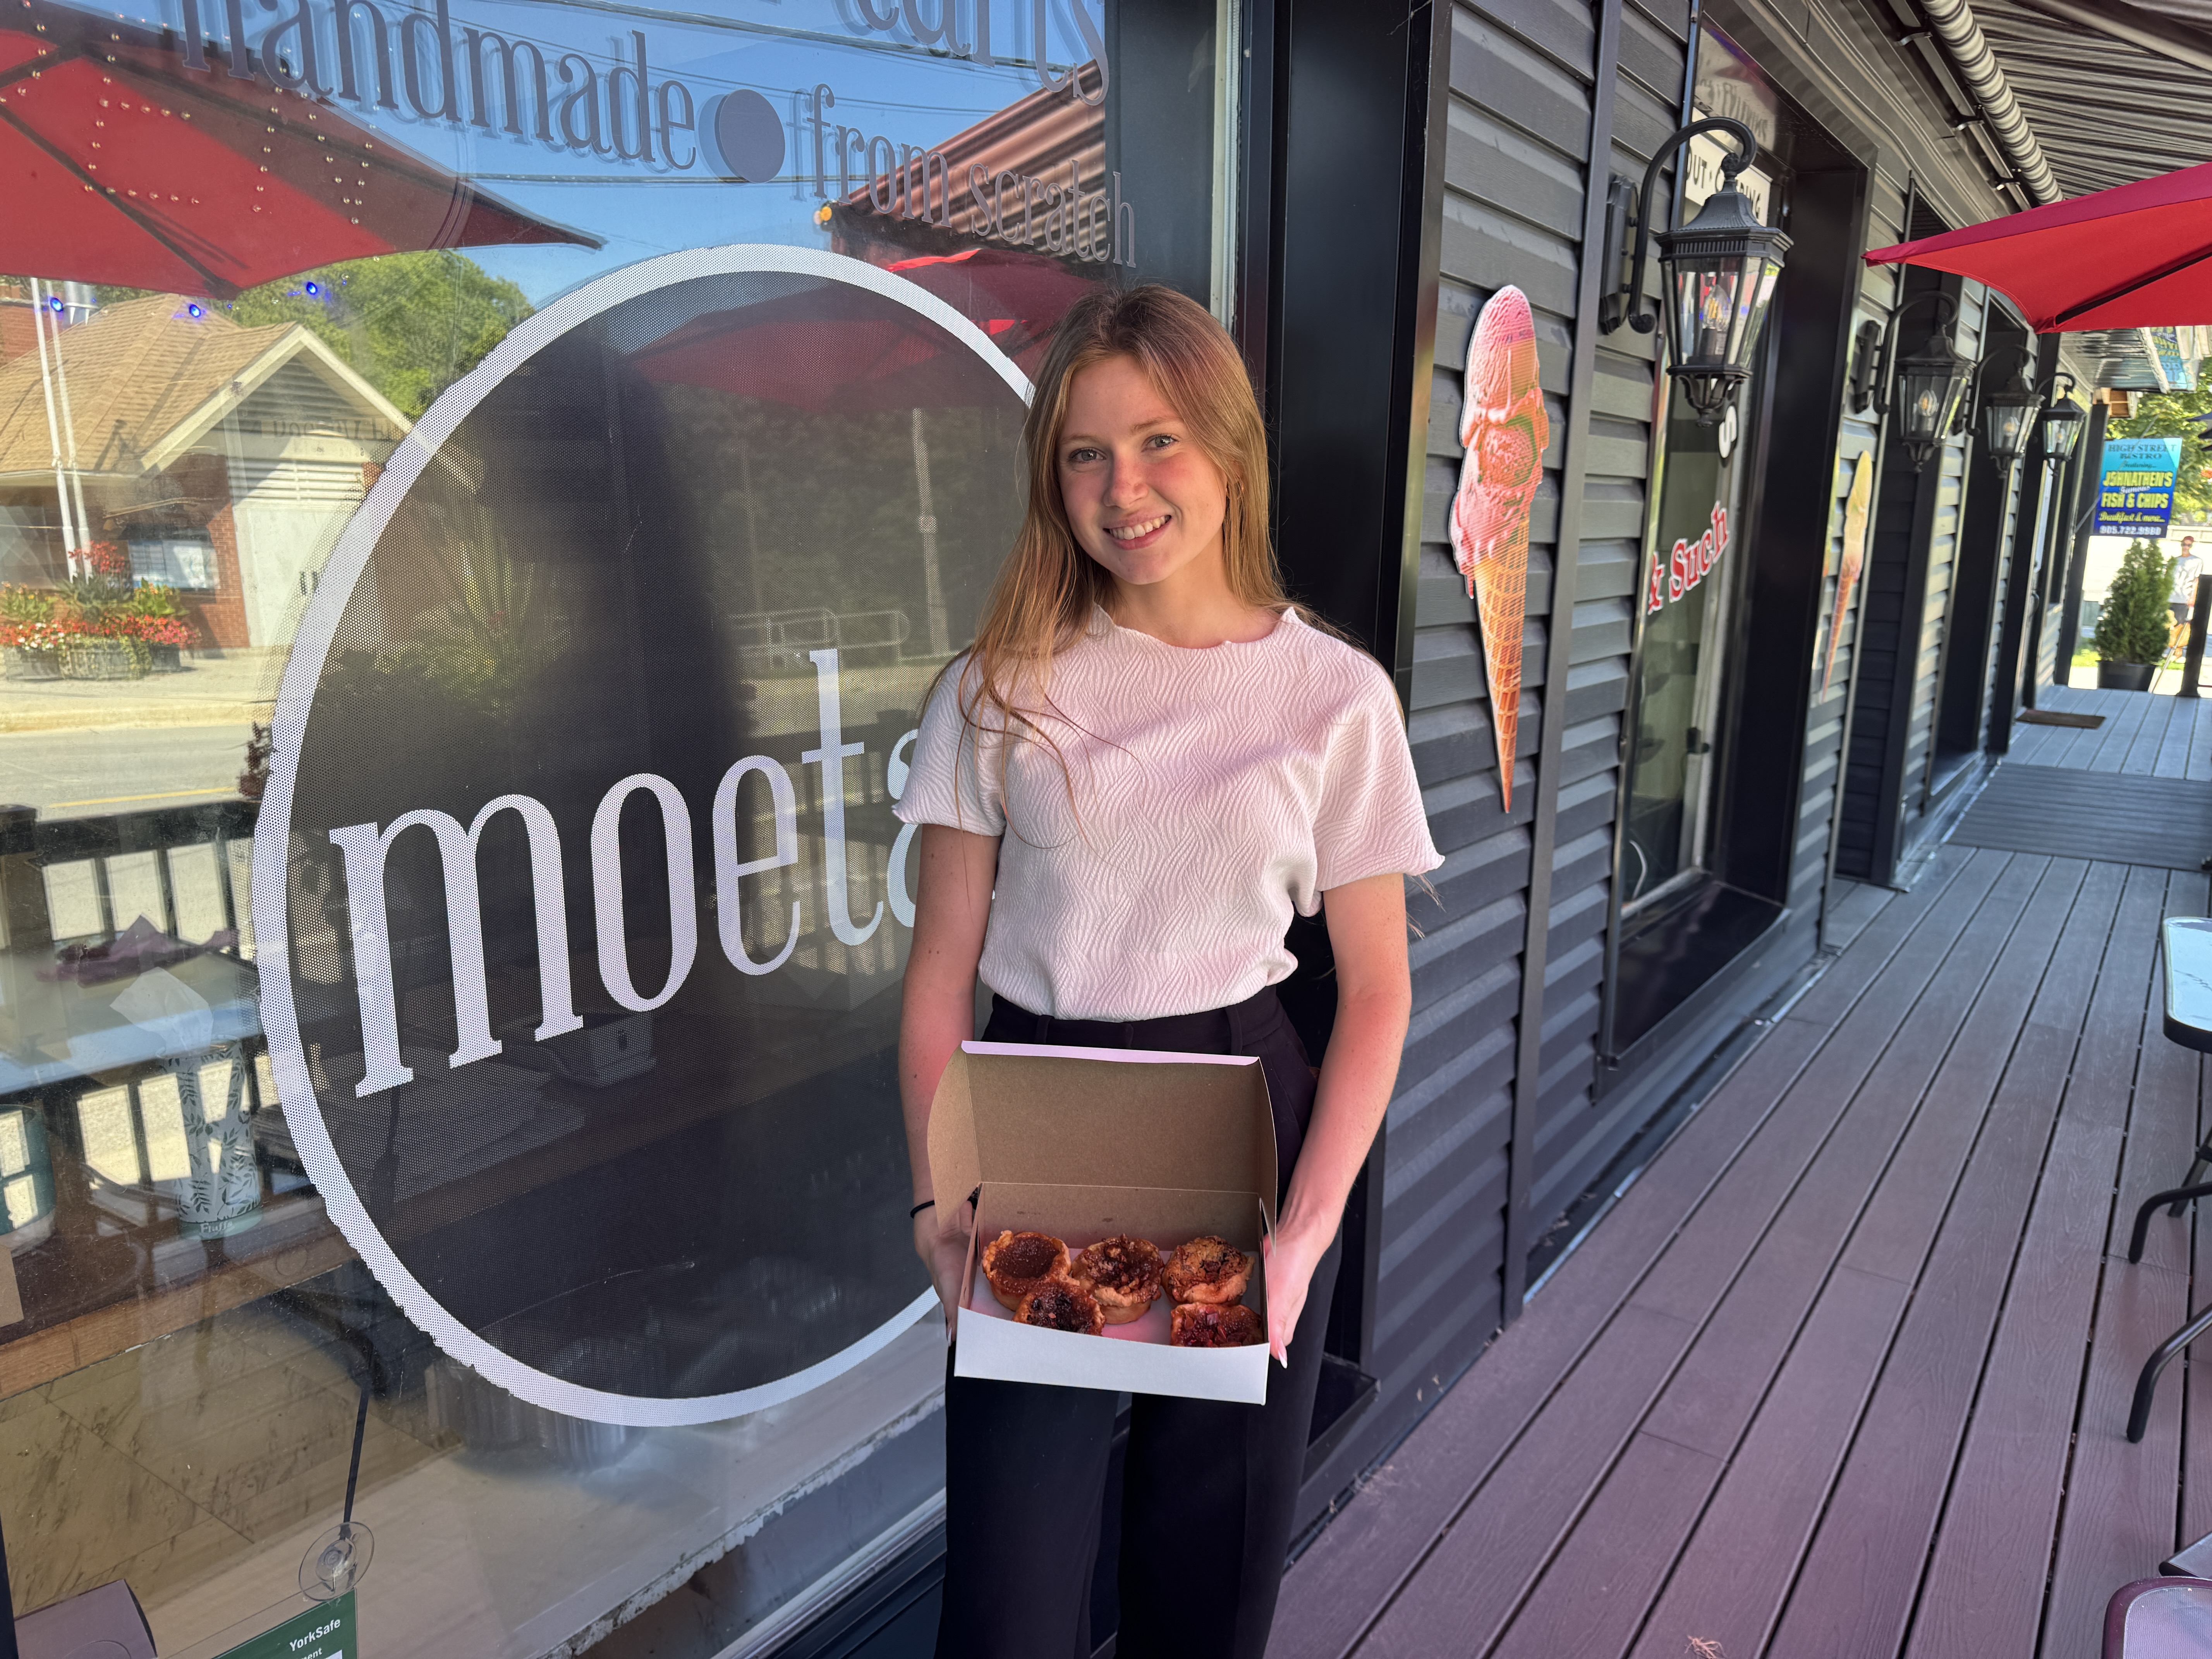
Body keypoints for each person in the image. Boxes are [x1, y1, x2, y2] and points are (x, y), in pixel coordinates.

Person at [894, 285, 1442, 1659]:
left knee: (1205, 1569)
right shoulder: (997, 686)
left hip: (1232, 1106)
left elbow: (1376, 986)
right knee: (1011, 1597)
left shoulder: (1331, 695)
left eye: (1157, 443)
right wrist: (930, 1194)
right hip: (1047, 1115)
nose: (1123, 486)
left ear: (1229, 452)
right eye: (1085, 452)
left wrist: (1305, 1237)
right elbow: (941, 966)